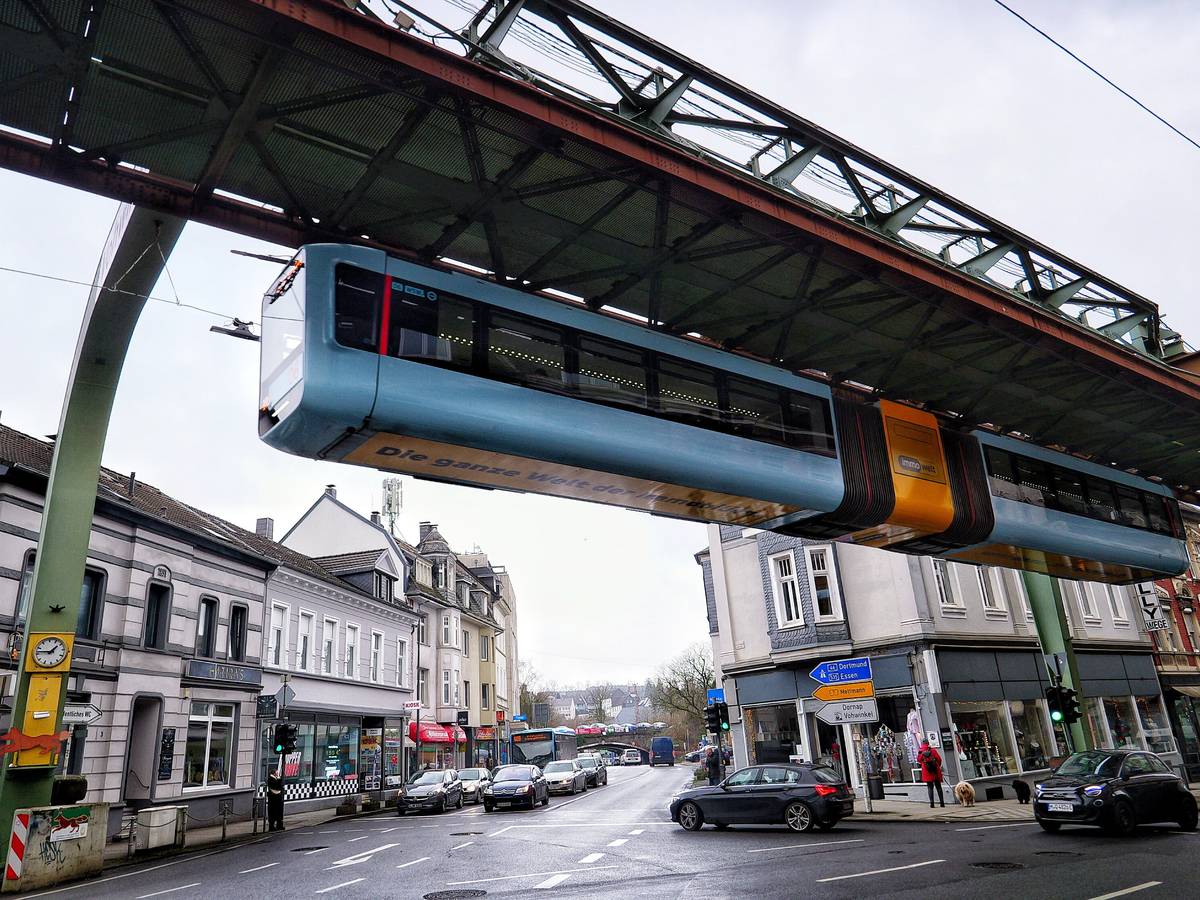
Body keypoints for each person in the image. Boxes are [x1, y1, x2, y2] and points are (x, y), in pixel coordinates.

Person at [917, 739, 945, 808]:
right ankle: (942, 803)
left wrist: (924, 763)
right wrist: (937, 766)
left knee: (930, 787)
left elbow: (919, 760)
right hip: (935, 771)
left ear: (922, 743)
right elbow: (939, 759)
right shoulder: (933, 750)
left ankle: (932, 803)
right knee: (938, 787)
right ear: (928, 743)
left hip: (927, 771)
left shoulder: (920, 751)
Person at [266, 767, 285, 832]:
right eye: (277, 772)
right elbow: (278, 787)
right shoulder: (271, 779)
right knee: (273, 812)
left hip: (277, 798)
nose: (278, 774)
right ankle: (272, 826)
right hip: (274, 799)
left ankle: (279, 825)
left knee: (278, 812)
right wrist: (279, 780)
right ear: (274, 773)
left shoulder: (275, 779)